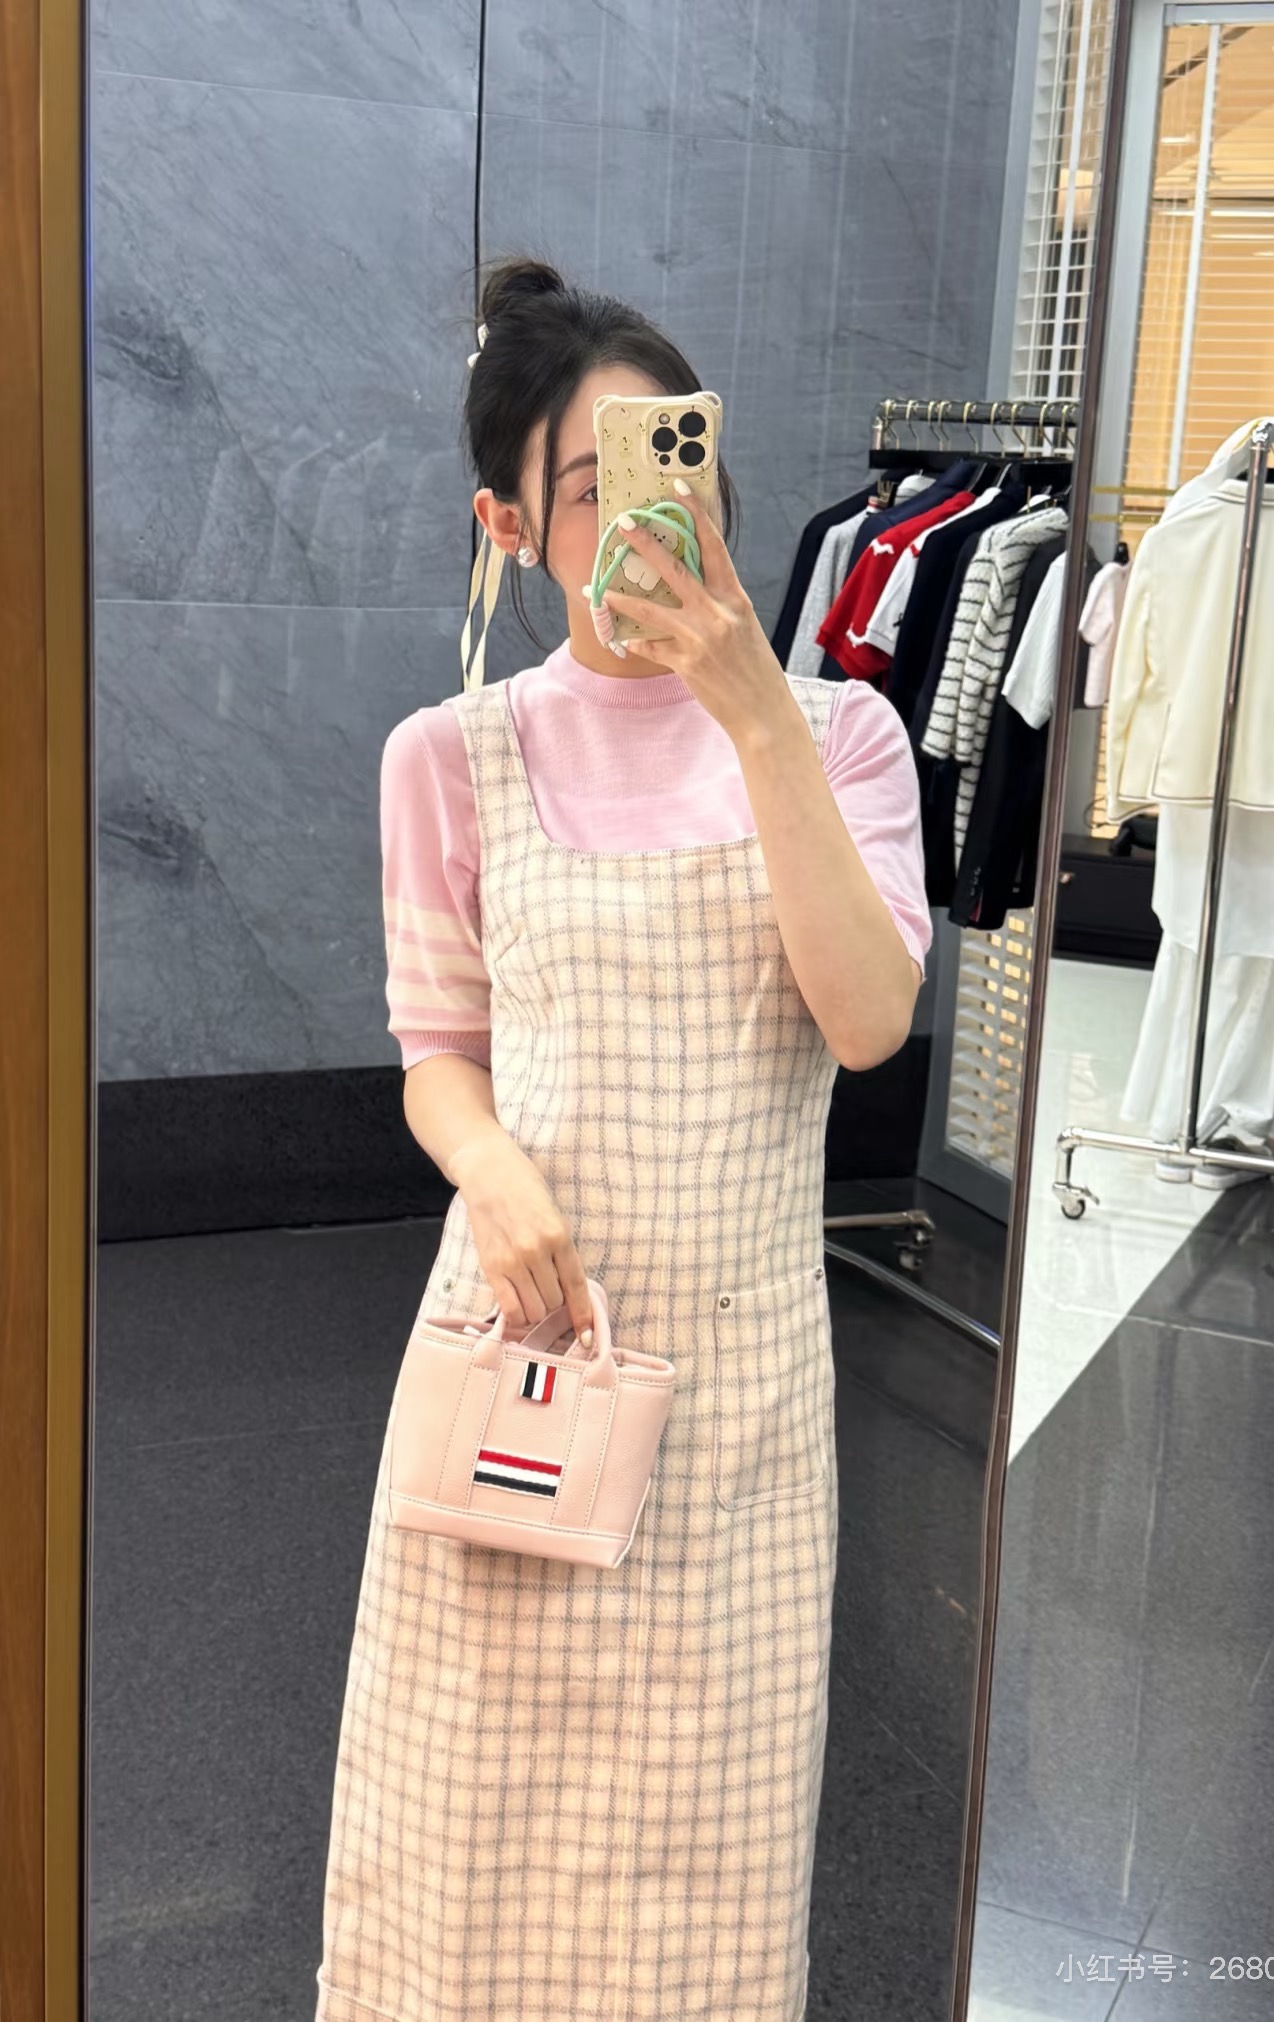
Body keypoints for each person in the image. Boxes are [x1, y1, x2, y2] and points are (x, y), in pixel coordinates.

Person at [313, 254, 934, 2022]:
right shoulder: (450, 755)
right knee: (466, 1839)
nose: (659, 512)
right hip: (518, 1362)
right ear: (509, 525)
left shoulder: (845, 735)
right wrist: (491, 1164)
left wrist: (754, 705)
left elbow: (867, 1021)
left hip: (738, 1410)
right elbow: (437, 1054)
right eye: (593, 486)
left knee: (702, 1870)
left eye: (680, 459)